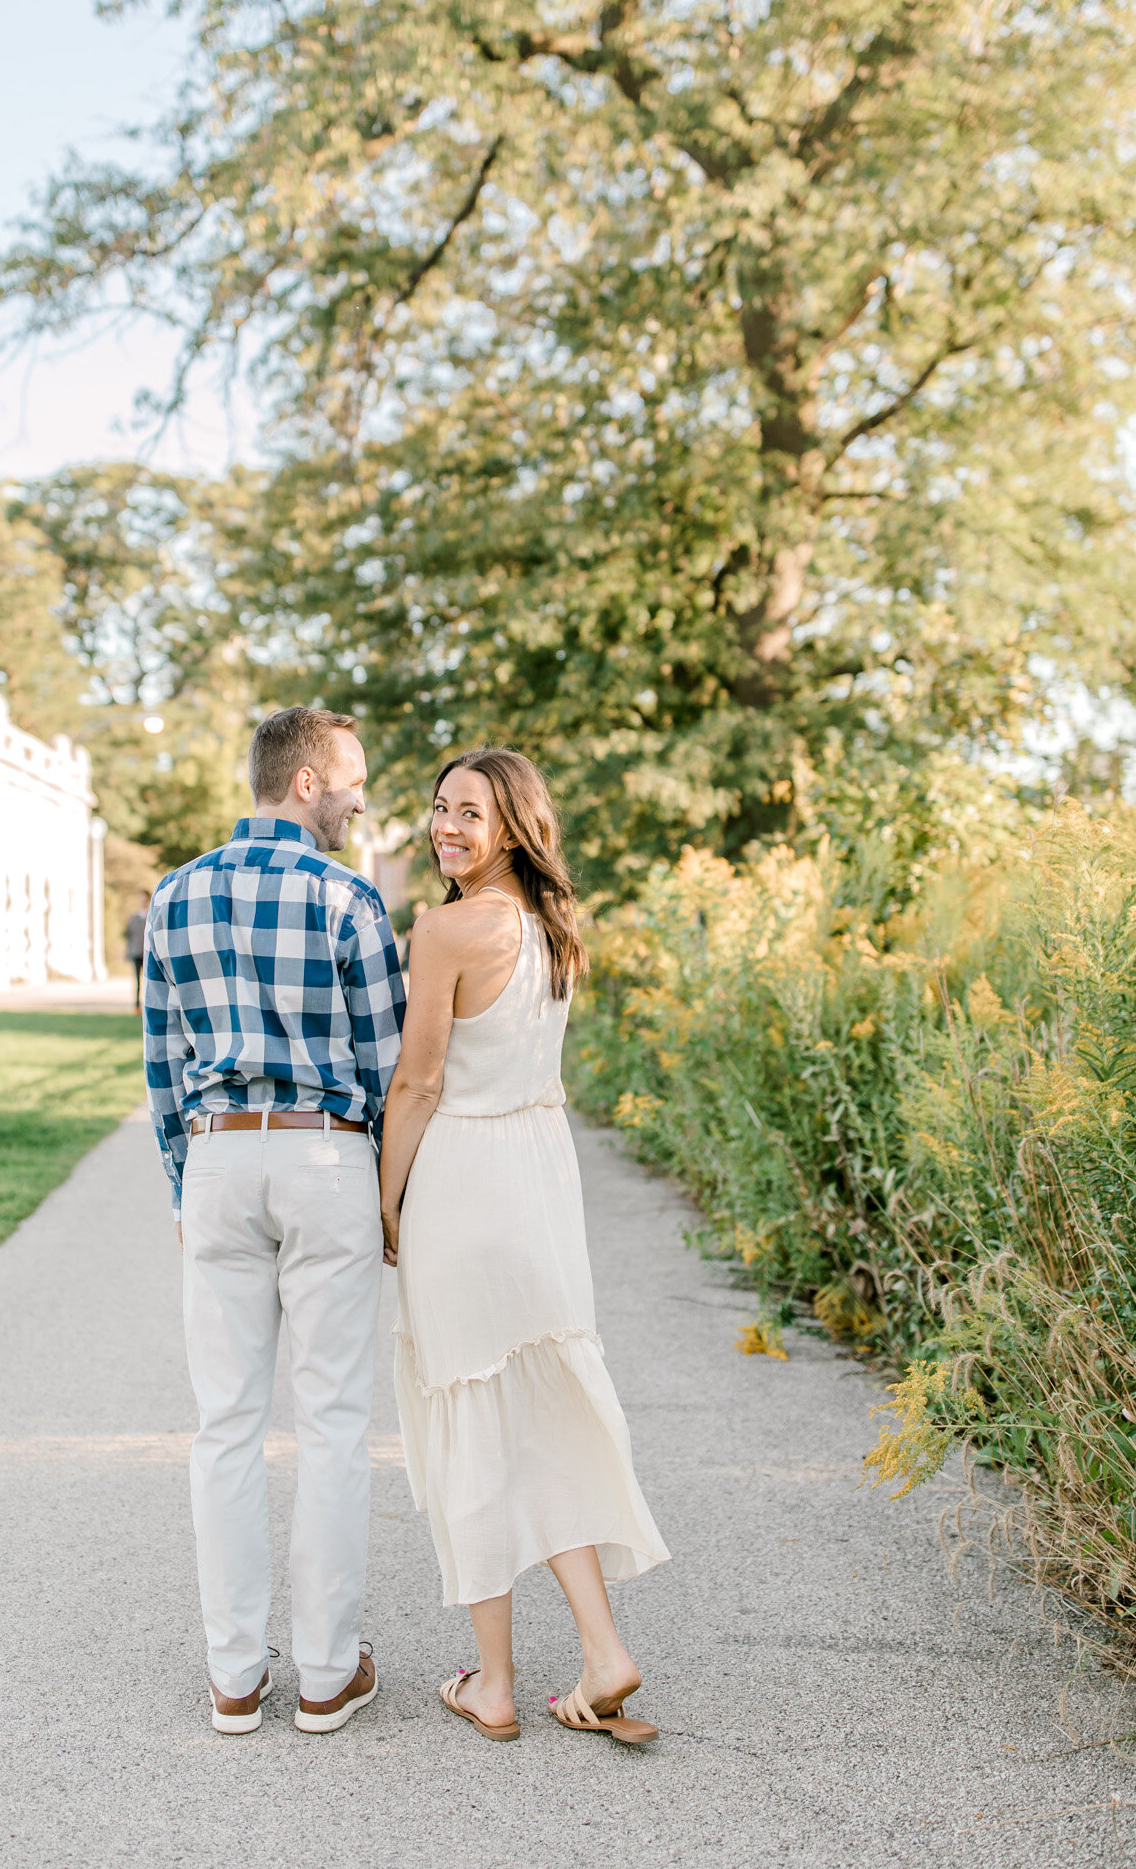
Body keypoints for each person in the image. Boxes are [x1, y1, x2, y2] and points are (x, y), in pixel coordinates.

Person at [381, 748, 670, 1745]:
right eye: (439, 806)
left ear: (511, 827)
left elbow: (418, 1083)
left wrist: (386, 1200)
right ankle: (601, 1648)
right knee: (541, 1412)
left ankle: (494, 1682)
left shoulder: (447, 928)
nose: (446, 824)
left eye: (471, 811)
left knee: (470, 1417)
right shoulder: (553, 928)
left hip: (464, 1179)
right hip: (541, 1182)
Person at [144, 707, 406, 1738]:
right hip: (325, 1148)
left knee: (225, 1423)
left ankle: (234, 1676)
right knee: (335, 1418)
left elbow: (162, 1066)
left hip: (217, 1150)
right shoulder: (348, 897)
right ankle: (328, 1673)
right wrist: (387, 1195)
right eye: (350, 780)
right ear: (305, 782)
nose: (357, 800)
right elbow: (386, 1066)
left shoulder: (174, 895)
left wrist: (185, 1181)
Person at [124, 890, 151, 1010]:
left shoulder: (151, 914)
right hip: (136, 952)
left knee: (149, 980)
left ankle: (149, 1004)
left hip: (148, 952)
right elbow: (128, 935)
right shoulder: (134, 917)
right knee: (137, 980)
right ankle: (137, 1005)